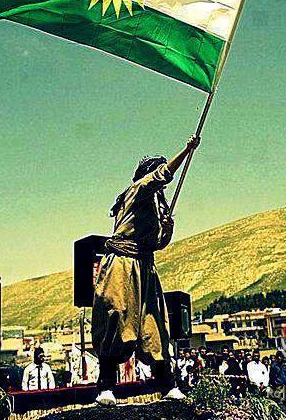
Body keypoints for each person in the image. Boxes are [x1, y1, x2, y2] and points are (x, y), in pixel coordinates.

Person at [91, 136, 201, 406]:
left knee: (155, 326)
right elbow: (162, 176)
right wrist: (187, 150)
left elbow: (158, 243)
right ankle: (106, 387)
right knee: (116, 319)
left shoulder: (155, 206)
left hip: (145, 268)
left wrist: (167, 226)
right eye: (156, 170)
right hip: (122, 264)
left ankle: (167, 385)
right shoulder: (138, 190)